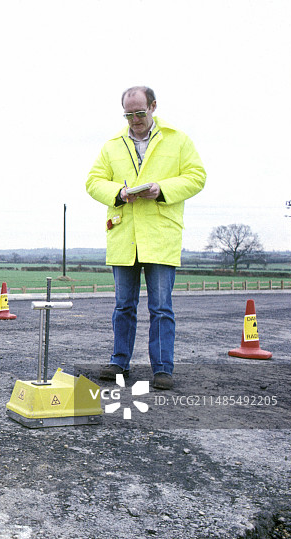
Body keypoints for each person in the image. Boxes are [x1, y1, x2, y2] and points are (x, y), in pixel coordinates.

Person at [85, 86, 206, 390]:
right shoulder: (112, 145)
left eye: (140, 113)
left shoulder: (178, 140)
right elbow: (93, 181)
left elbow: (196, 176)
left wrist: (161, 189)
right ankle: (119, 363)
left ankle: (163, 368)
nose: (135, 120)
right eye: (129, 115)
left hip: (160, 237)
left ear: (153, 107)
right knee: (123, 306)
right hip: (125, 236)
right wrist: (119, 193)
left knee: (161, 307)